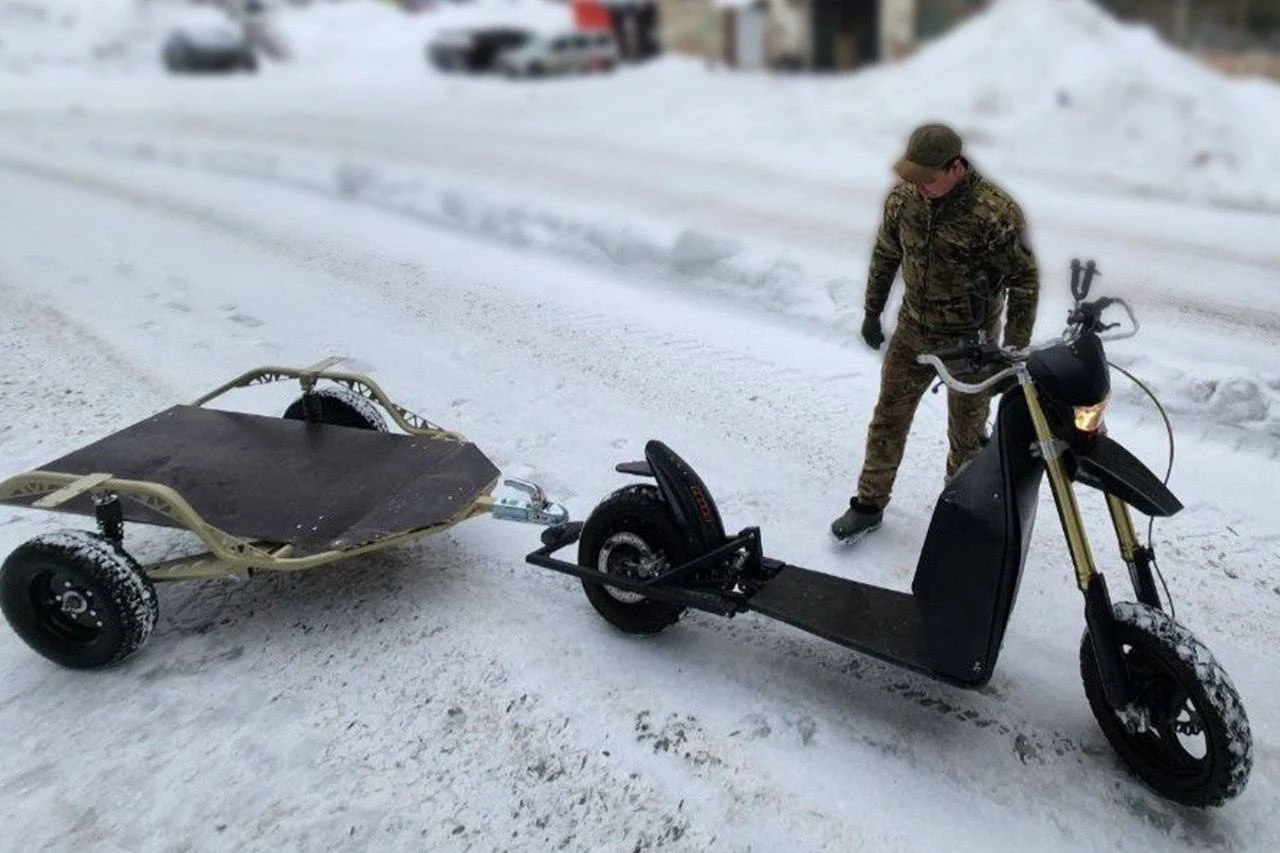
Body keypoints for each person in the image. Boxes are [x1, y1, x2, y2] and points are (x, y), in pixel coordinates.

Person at [831, 122, 1040, 544]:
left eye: (928, 178)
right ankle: (869, 504)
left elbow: (1024, 281)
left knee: (967, 440)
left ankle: (960, 516)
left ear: (955, 167)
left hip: (971, 344)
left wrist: (1013, 353)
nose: (920, 187)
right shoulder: (903, 200)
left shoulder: (993, 212)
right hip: (913, 331)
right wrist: (872, 312)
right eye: (913, 177)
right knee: (888, 419)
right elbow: (886, 254)